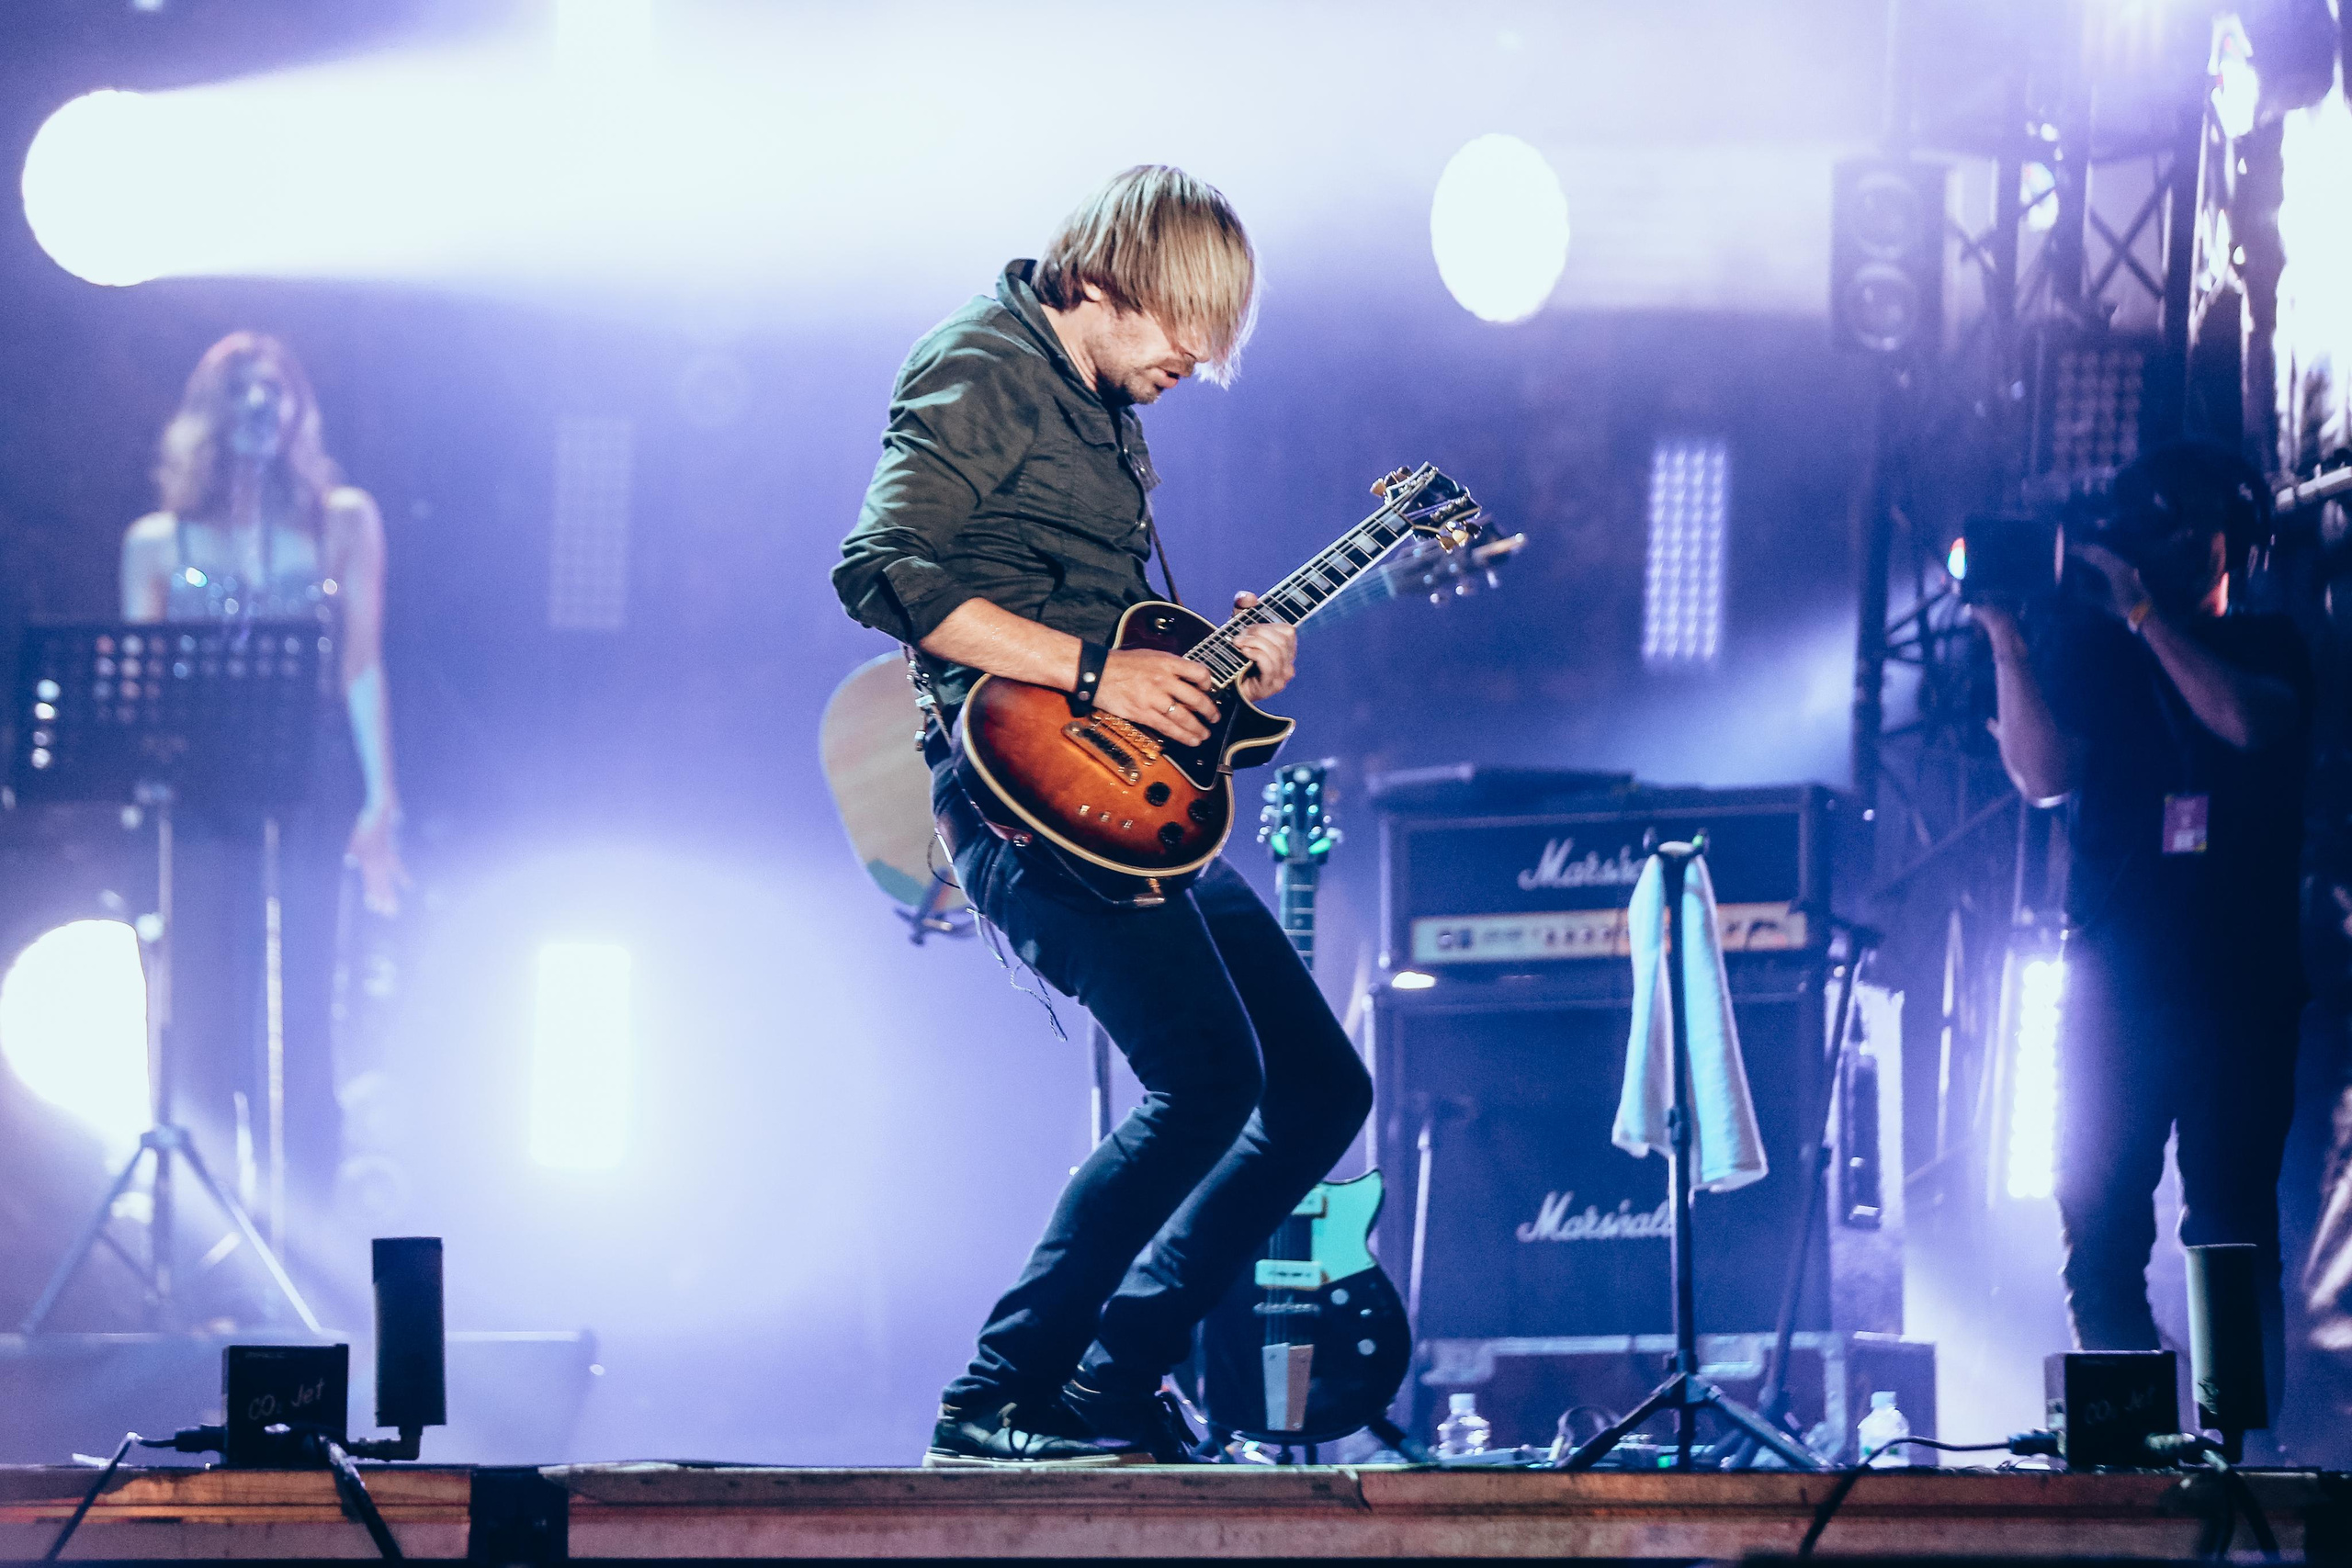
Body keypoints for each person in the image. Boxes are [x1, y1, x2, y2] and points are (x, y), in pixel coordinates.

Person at [832, 166, 1372, 1465]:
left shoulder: (1105, 406)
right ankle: (996, 1392)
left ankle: (1110, 1381)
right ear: (1106, 276)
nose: (1194, 352)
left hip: (1119, 793)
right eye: (1181, 319)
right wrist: (1094, 672)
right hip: (1016, 802)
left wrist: (1223, 662)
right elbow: (882, 572)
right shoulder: (980, 361)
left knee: (1316, 1088)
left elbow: (1113, 640)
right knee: (1205, 1077)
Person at [1977, 443, 2311, 1387]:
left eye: (2182, 527)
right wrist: (2006, 639)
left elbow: (2244, 723)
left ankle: (2240, 1457)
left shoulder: (2270, 645)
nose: (2160, 548)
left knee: (2228, 1227)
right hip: (2110, 982)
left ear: (2227, 541)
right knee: (2095, 1217)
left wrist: (2143, 612)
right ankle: (2128, 1458)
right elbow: (2041, 778)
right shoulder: (2092, 657)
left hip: (2235, 992)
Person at [119, 332, 404, 1247]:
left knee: (304, 991)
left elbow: (361, 663)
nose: (257, 408)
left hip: (306, 772)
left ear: (294, 408)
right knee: (206, 1002)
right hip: (205, 780)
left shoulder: (344, 519)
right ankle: (211, 1235)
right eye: (238, 391)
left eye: (272, 391)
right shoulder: (159, 540)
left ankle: (305, 1227)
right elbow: (142, 678)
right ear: (209, 409)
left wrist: (380, 796)